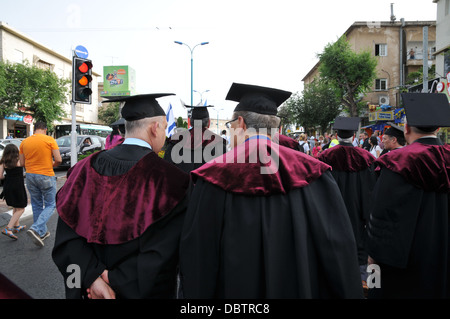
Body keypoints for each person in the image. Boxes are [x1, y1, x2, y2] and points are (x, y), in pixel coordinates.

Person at [179, 82, 364, 299]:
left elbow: (198, 259)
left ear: (240, 123)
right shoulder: (314, 172)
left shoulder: (212, 176)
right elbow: (337, 246)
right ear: (276, 127)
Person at [52, 93, 190, 299]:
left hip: (89, 293)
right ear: (156, 127)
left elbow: (66, 239)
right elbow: (162, 256)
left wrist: (91, 278)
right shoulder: (172, 181)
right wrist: (115, 283)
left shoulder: (82, 169)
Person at [365, 93, 450, 298]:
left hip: (405, 259)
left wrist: (373, 258)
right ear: (438, 128)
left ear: (407, 128)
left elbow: (382, 215)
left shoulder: (397, 161)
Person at [318, 117, 377, 292]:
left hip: (332, 212)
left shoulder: (324, 157)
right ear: (354, 135)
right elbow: (371, 188)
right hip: (359, 213)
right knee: (359, 244)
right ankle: (361, 286)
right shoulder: (367, 158)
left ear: (336, 135)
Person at [19, 121, 62, 247]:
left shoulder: (24, 142)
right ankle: (36, 228)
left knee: (37, 204)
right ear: (45, 129)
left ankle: (42, 232)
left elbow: (22, 164)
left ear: (35, 128)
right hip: (46, 175)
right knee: (51, 204)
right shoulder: (50, 140)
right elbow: (58, 159)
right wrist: (51, 165)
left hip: (30, 176)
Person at [164, 105, 227, 174]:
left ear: (191, 122)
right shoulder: (218, 144)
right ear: (209, 123)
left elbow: (166, 171)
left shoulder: (175, 141)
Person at [0, 144, 28, 240]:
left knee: (16, 206)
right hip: (18, 186)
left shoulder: (3, 162)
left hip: (8, 186)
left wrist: (7, 177)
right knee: (21, 208)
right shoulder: (19, 161)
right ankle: (8, 228)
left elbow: (0, 176)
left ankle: (17, 226)